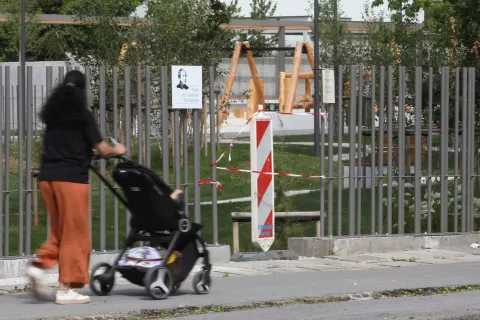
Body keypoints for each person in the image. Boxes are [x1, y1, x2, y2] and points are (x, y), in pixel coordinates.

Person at [26, 70, 127, 305]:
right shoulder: (83, 115)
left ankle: (39, 267)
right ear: (82, 91)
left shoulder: (53, 118)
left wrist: (86, 154)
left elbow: (71, 148)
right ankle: (65, 289)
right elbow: (102, 149)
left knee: (60, 231)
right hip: (71, 181)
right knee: (75, 234)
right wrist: (117, 151)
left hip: (48, 178)